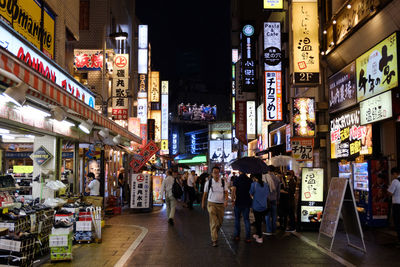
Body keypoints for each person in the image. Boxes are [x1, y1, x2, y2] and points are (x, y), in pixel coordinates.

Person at [202, 166, 228, 247]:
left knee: (219, 222)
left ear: (219, 173)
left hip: (221, 205)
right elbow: (205, 194)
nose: (216, 174)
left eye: (217, 172)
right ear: (212, 173)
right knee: (214, 222)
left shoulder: (223, 182)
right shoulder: (208, 182)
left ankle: (214, 234)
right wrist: (203, 203)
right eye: (214, 172)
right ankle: (214, 239)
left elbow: (226, 192)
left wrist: (226, 200)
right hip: (211, 204)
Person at [232, 171, 252, 242]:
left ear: (239, 171)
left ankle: (237, 236)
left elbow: (233, 190)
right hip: (247, 202)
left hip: (238, 202)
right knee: (246, 219)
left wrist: (232, 199)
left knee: (237, 219)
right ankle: (248, 237)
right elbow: (251, 192)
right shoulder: (249, 180)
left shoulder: (236, 179)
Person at [249, 173, 269, 244]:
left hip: (256, 206)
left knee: (258, 222)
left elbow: (250, 194)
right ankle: (257, 234)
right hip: (264, 206)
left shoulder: (253, 184)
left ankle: (260, 237)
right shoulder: (266, 185)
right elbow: (267, 195)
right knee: (260, 220)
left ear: (255, 177)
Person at [264, 166, 281, 235]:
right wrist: (278, 199)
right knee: (274, 215)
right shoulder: (277, 179)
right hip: (274, 199)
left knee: (267, 215)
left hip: (267, 199)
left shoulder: (265, 178)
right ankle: (274, 230)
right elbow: (278, 191)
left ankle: (268, 230)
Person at [388, 167, 400, 247]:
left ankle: (399, 241)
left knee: (398, 223)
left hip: (397, 205)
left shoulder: (395, 181)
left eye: (392, 175)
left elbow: (390, 193)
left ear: (395, 173)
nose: (392, 176)